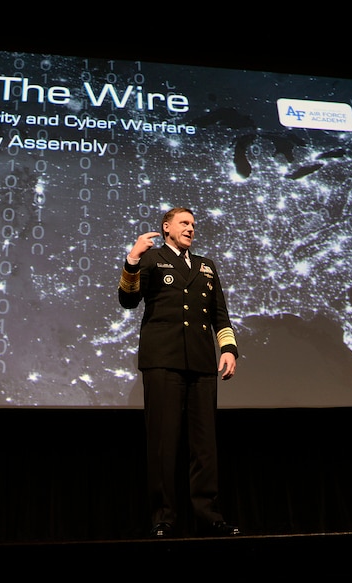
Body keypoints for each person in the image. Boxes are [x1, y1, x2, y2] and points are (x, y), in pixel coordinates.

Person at [118, 207, 241, 538]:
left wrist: (228, 349)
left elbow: (220, 313)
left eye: (193, 225)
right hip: (163, 360)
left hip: (201, 361)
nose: (190, 229)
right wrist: (132, 259)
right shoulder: (151, 258)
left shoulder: (206, 266)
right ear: (166, 227)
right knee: (164, 441)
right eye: (184, 223)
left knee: (204, 446)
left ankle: (208, 515)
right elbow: (128, 301)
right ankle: (164, 517)